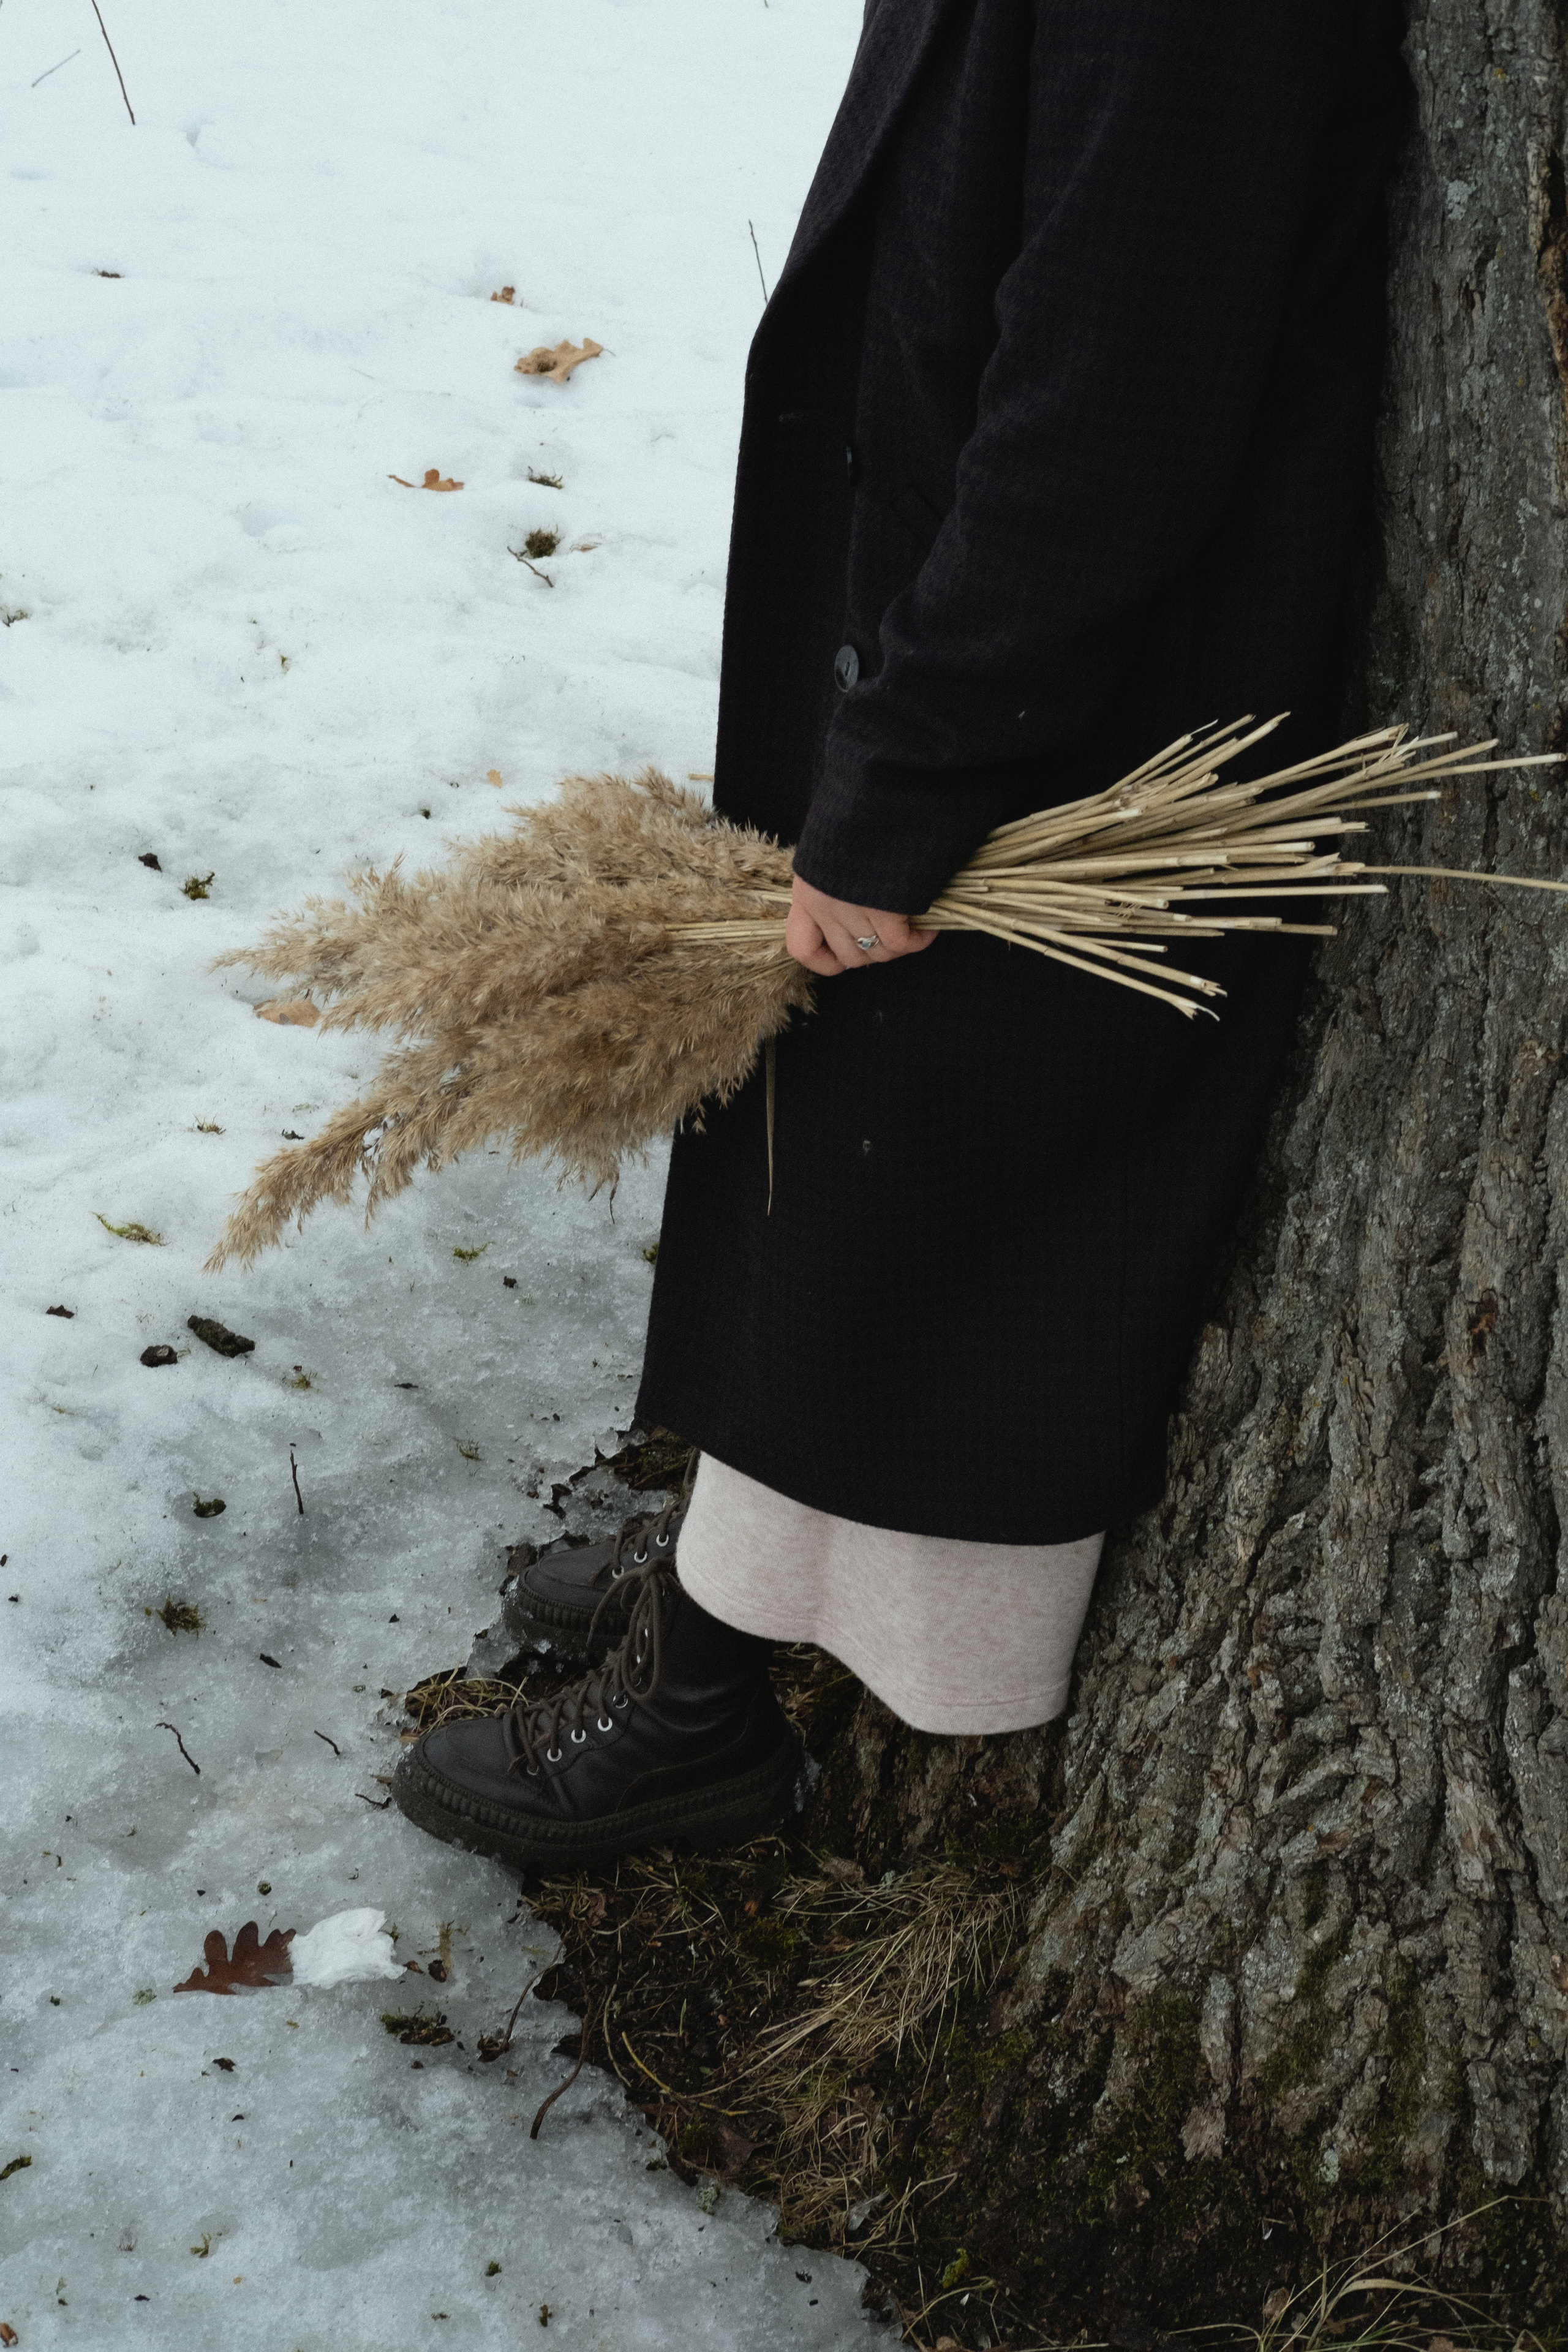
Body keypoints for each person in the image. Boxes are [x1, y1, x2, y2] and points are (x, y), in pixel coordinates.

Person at [394, 0, 1409, 1869]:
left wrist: (926, 771)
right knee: (829, 1131)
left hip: (1066, 699)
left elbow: (1117, 391)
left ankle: (703, 1709)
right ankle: (727, 1556)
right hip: (951, 610)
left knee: (922, 1177)